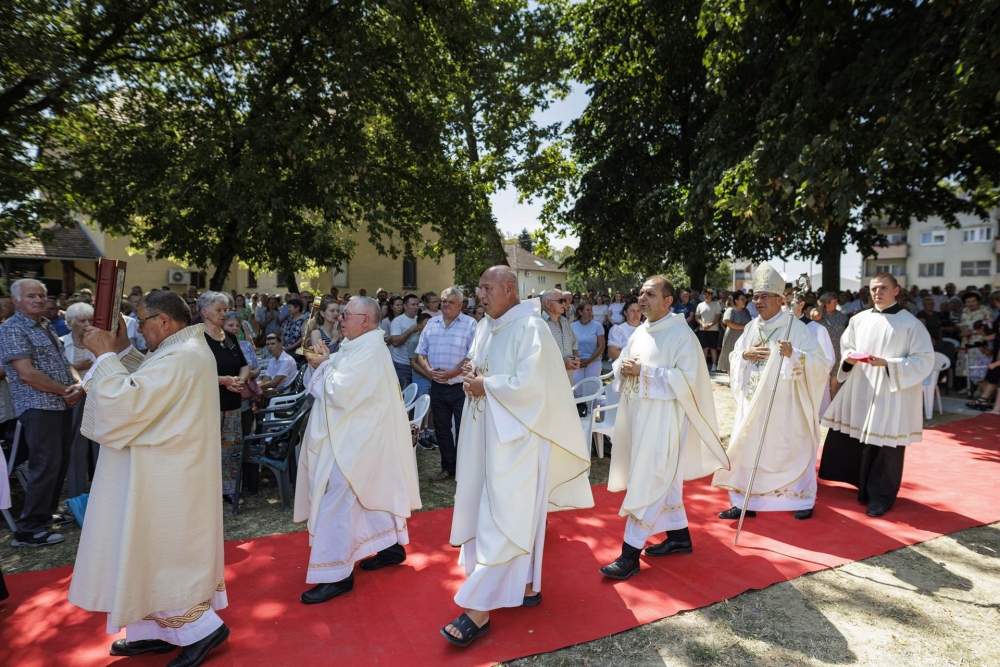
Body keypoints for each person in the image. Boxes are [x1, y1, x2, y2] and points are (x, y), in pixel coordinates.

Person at [69, 290, 230, 665]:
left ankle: (202, 628)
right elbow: (149, 376)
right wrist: (122, 352)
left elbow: (128, 401)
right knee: (145, 551)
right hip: (164, 467)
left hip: (167, 475)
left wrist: (104, 355)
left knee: (163, 553)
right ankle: (153, 630)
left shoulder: (183, 355)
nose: (138, 330)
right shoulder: (180, 350)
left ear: (163, 321)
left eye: (140, 322)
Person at [442, 266, 593, 647]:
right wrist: (471, 373)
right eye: (479, 288)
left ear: (509, 289)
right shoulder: (485, 327)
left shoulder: (532, 329)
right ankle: (524, 582)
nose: (480, 294)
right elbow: (482, 367)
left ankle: (479, 607)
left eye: (486, 287)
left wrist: (485, 384)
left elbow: (533, 386)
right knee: (489, 505)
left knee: (504, 513)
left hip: (519, 439)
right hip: (484, 432)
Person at [294, 296, 421, 605]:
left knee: (336, 500)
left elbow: (341, 392)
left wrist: (323, 364)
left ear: (366, 320)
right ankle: (390, 547)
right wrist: (322, 362)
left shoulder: (372, 351)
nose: (341, 319)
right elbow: (331, 381)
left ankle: (336, 575)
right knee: (363, 496)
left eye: (347, 315)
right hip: (358, 437)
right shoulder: (359, 346)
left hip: (358, 443)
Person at [600, 276, 728, 580]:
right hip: (640, 416)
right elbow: (621, 366)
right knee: (663, 480)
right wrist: (625, 367)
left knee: (650, 478)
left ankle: (629, 555)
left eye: (650, 294)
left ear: (668, 301)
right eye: (641, 294)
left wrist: (643, 370)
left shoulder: (682, 335)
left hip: (666, 420)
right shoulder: (640, 332)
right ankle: (679, 537)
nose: (642, 299)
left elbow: (687, 380)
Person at [711, 264, 829, 522]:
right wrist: (745, 355)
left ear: (779, 300)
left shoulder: (794, 328)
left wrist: (794, 355)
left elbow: (821, 364)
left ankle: (802, 498)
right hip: (753, 401)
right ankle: (745, 500)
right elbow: (735, 354)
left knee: (788, 448)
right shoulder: (752, 326)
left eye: (765, 296)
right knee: (749, 448)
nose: (758, 301)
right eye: (755, 296)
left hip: (785, 404)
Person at [818, 273, 935, 517]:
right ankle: (863, 487)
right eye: (873, 289)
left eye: (883, 288)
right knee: (860, 439)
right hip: (862, 387)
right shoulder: (859, 319)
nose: (877, 293)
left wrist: (888, 364)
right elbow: (847, 345)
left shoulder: (911, 324)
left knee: (886, 444)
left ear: (896, 290)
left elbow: (923, 360)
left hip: (892, 392)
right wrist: (849, 359)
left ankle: (881, 497)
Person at [0, 279, 82, 547]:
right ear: (16, 301)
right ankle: (28, 530)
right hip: (38, 406)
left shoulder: (44, 325)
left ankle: (44, 516)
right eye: (31, 296)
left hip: (61, 402)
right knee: (45, 465)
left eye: (42, 296)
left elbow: (63, 363)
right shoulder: (13, 328)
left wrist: (76, 385)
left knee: (58, 465)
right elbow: (26, 374)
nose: (38, 300)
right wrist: (64, 390)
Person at [415, 288, 476, 481]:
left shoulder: (471, 324)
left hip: (461, 387)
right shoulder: (432, 324)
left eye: (450, 301)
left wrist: (453, 372)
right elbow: (421, 353)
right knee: (442, 430)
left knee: (463, 429)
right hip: (438, 387)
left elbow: (471, 356)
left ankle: (464, 471)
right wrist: (429, 372)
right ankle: (448, 468)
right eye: (443, 301)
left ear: (460, 305)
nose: (446, 304)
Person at [199, 292, 250, 506]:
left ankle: (229, 491)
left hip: (232, 405)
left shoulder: (228, 337)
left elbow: (244, 364)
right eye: (219, 310)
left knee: (231, 450)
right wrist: (222, 380)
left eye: (225, 309)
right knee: (206, 452)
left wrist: (240, 380)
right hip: (207, 407)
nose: (224, 314)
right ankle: (205, 495)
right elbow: (193, 373)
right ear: (204, 312)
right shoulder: (196, 340)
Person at [60, 302, 100, 504]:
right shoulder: (60, 343)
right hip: (73, 399)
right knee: (76, 447)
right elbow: (58, 373)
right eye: (82, 321)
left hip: (98, 397)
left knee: (100, 445)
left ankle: (101, 494)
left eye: (90, 320)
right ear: (69, 323)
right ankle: (75, 498)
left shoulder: (99, 342)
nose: (87, 324)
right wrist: (75, 368)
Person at [541, 289, 579, 385]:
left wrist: (576, 358)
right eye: (560, 301)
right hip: (550, 381)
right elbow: (537, 356)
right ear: (548, 303)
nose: (564, 303)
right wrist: (562, 363)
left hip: (568, 378)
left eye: (565, 301)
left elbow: (574, 343)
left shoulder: (564, 321)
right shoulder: (539, 324)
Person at [386, 294, 421, 388]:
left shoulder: (419, 319)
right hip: (402, 365)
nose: (416, 307)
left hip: (418, 366)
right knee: (404, 395)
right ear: (405, 306)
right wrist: (410, 330)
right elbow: (395, 342)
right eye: (413, 304)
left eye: (417, 304)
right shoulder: (398, 321)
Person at [571, 301, 606, 387]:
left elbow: (601, 346)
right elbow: (570, 345)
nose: (590, 312)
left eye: (591, 310)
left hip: (594, 362)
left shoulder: (598, 326)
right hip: (577, 363)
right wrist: (578, 360)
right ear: (580, 312)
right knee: (577, 390)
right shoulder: (572, 326)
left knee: (591, 390)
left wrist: (589, 360)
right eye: (587, 310)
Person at [717, 292, 751, 374]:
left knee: (742, 358)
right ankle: (731, 380)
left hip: (744, 338)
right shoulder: (730, 310)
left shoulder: (746, 311)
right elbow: (728, 323)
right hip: (732, 338)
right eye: (742, 299)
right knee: (731, 358)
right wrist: (744, 327)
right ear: (736, 300)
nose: (744, 300)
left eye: (745, 299)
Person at [695, 287, 723, 371]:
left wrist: (710, 325)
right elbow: (697, 317)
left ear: (711, 295)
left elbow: (718, 317)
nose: (706, 296)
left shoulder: (716, 304)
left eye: (708, 294)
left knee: (713, 348)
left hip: (713, 330)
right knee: (704, 348)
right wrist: (702, 324)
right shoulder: (700, 305)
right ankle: (704, 365)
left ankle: (714, 365)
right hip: (702, 329)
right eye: (704, 294)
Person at [282, 298, 308, 363]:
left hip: (296, 353)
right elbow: (283, 333)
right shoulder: (289, 319)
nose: (288, 309)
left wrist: (290, 347)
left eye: (290, 307)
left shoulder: (304, 320)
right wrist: (282, 345)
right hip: (286, 350)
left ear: (297, 308)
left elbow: (303, 337)